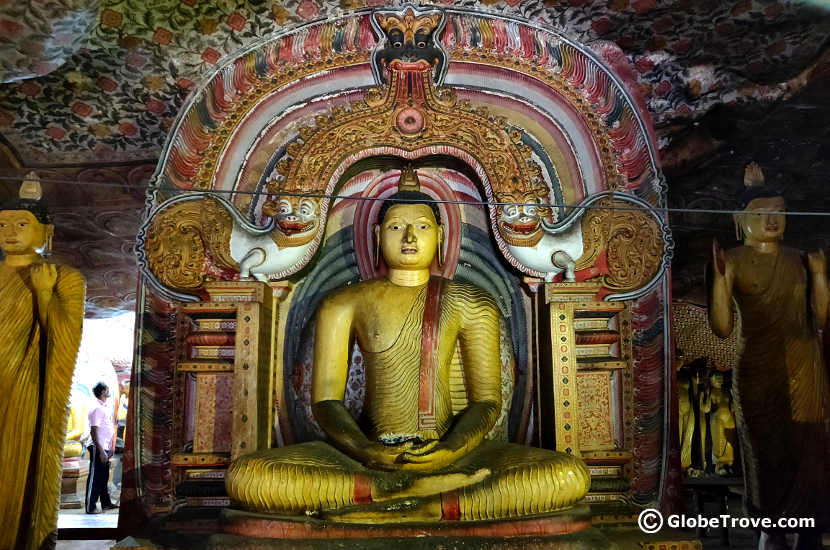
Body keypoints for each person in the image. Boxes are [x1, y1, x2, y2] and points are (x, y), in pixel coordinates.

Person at [226, 167, 590, 522]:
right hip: (364, 459)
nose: (410, 238)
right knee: (248, 476)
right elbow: (325, 401)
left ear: (442, 234)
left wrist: (450, 449)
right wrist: (366, 450)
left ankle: (403, 502)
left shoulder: (471, 302)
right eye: (397, 227)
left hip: (456, 456)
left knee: (567, 475)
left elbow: (487, 402)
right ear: (377, 234)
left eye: (421, 227)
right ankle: (414, 496)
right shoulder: (342, 304)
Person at [709, 162, 830, 550]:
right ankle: (771, 529)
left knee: (809, 445)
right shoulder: (736, 260)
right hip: (759, 368)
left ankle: (809, 530)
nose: (771, 219)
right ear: (741, 220)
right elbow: (723, 327)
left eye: (778, 212)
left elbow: (823, 318)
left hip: (803, 363)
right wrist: (720, 280)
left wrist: (821, 276)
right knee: (765, 450)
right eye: (760, 213)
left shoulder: (800, 259)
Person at [0, 173, 85, 550]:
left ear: (45, 231)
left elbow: (64, 340)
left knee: (17, 465)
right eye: (2, 224)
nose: (10, 232)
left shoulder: (64, 277)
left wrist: (45, 295)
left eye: (22, 223)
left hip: (25, 389)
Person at [85, 382, 118, 514]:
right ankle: (90, 506)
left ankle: (106, 503)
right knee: (95, 477)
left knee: (103, 477)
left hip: (104, 447)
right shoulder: (97, 408)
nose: (109, 391)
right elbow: (94, 430)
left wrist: (110, 448)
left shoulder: (103, 407)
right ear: (103, 391)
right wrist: (100, 450)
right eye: (107, 389)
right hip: (96, 447)